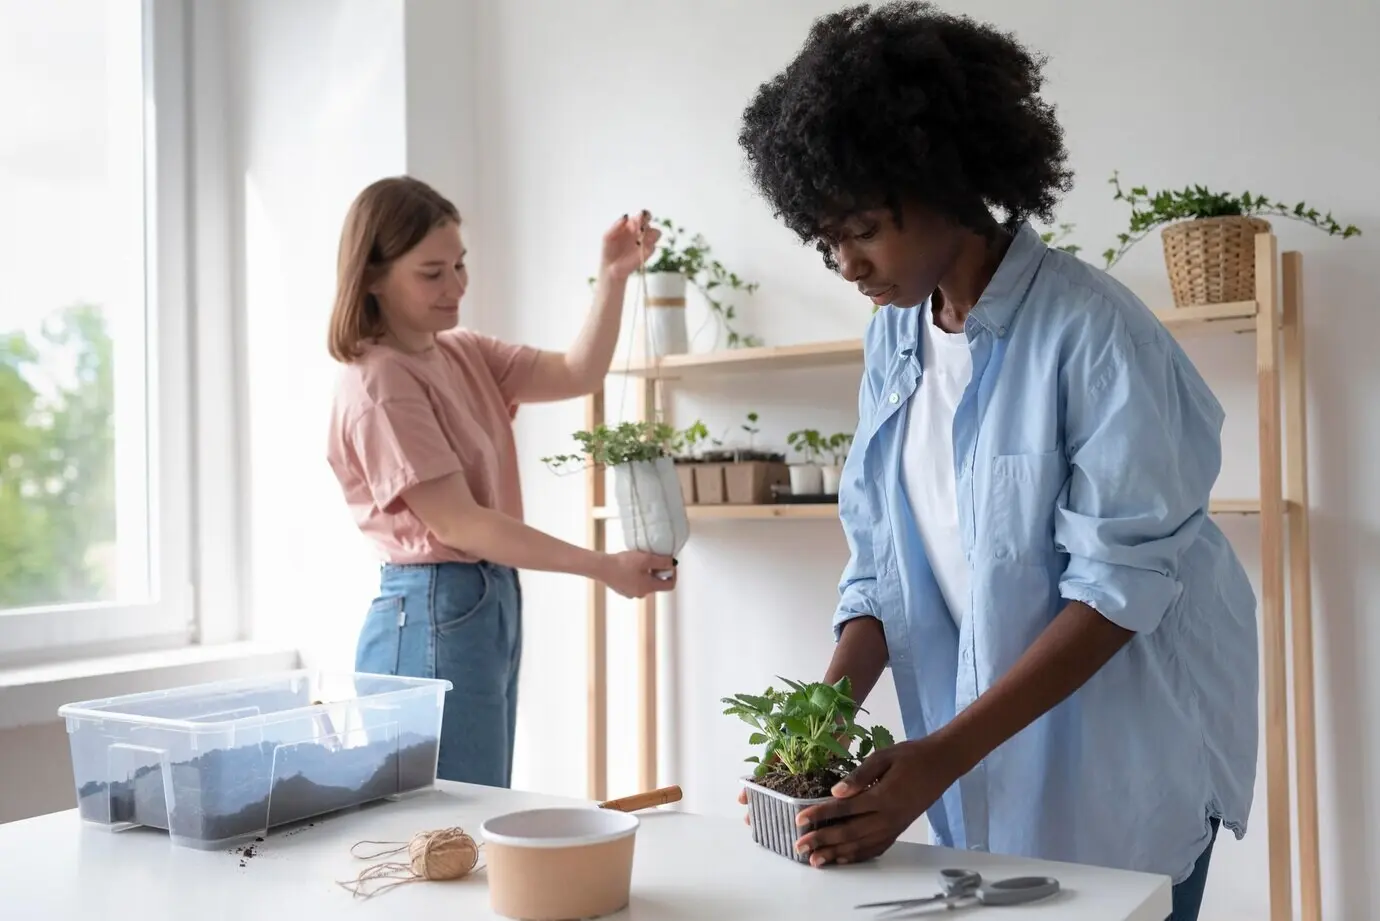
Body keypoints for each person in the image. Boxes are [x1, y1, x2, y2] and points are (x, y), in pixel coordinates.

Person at [734, 5, 1256, 921]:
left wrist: (939, 756)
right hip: (986, 775)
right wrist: (809, 736)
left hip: (1122, 770)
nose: (846, 264)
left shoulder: (1096, 334)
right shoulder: (894, 341)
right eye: (826, 239)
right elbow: (882, 571)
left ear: (945, 181)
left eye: (863, 228)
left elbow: (1116, 590)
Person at [325, 176, 677, 789]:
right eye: (432, 273)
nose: (456, 286)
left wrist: (614, 276)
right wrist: (603, 567)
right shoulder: (381, 383)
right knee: (449, 818)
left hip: (482, 599)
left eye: (459, 265)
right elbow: (461, 523)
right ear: (373, 277)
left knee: (475, 804)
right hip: (434, 605)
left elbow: (578, 373)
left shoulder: (459, 352)